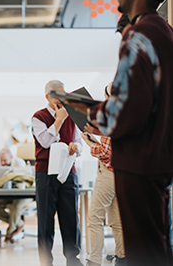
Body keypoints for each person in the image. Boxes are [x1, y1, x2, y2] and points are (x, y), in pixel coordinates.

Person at [69, 0, 173, 265]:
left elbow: (129, 110)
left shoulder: (138, 35)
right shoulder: (164, 32)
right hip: (157, 160)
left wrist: (89, 115)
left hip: (137, 162)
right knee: (155, 247)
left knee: (144, 252)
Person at [32, 80, 83, 266]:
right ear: (48, 97)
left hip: (69, 171)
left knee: (70, 217)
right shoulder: (38, 116)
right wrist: (59, 119)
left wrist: (74, 147)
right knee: (45, 219)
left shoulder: (73, 116)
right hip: (45, 173)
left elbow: (80, 144)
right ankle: (46, 261)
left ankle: (73, 259)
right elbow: (45, 142)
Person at [82, 83, 125, 266]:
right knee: (116, 220)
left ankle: (94, 260)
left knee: (95, 218)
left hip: (109, 173)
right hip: (123, 174)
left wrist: (90, 143)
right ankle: (123, 257)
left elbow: (107, 153)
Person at [0, 147, 31, 243]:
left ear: (12, 157)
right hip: (9, 194)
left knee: (16, 207)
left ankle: (9, 234)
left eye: (5, 160)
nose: (3, 163)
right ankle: (19, 223)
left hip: (25, 194)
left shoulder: (20, 163)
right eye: (2, 161)